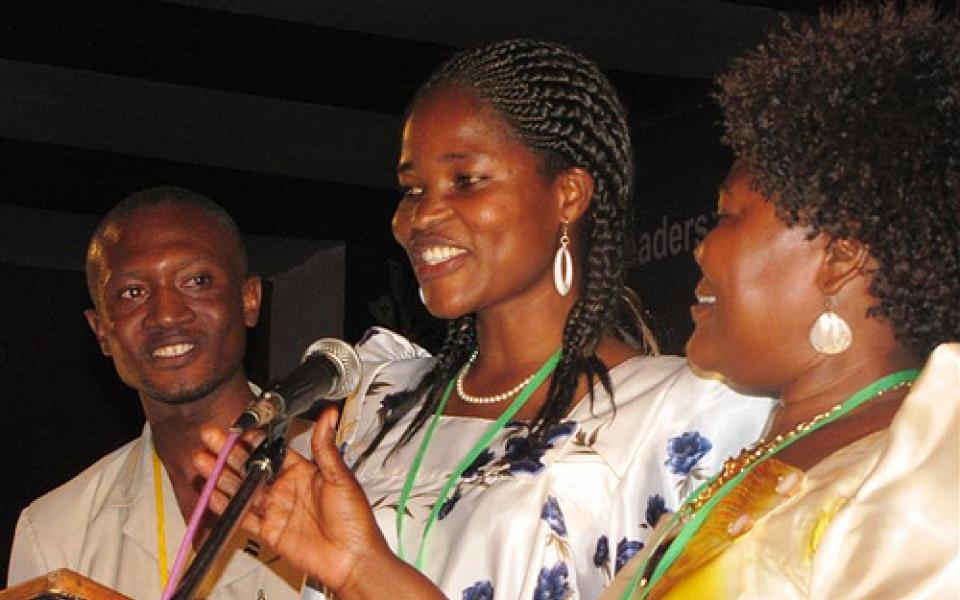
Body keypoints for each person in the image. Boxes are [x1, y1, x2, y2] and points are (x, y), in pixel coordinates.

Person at [198, 39, 772, 600]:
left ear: (568, 194)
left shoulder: (680, 413)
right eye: (412, 189)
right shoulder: (382, 401)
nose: (421, 215)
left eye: (465, 181)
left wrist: (364, 574)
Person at [600, 3, 959, 598]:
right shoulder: (770, 459)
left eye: (727, 216)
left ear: (840, 258)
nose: (701, 249)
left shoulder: (918, 479)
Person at [7, 187, 307, 599]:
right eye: (133, 292)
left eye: (197, 281)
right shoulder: (54, 529)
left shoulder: (349, 473)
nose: (166, 314)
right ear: (102, 332)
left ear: (249, 299)